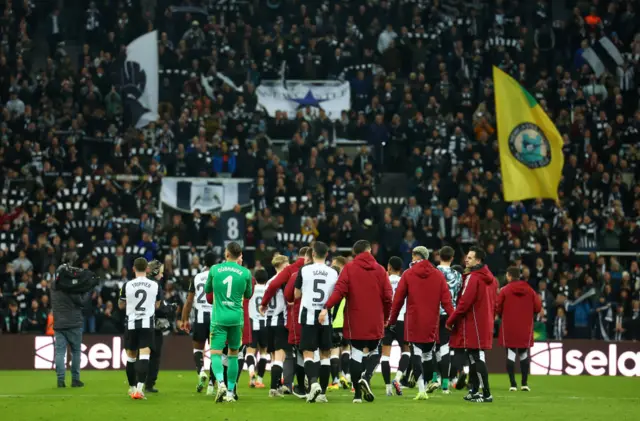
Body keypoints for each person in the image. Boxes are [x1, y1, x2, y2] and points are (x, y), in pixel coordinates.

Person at [320, 240, 393, 404]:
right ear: (369, 251)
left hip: (355, 318)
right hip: (376, 318)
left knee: (357, 353)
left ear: (355, 253)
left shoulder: (349, 269)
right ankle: (366, 377)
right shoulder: (381, 270)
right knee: (376, 351)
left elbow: (339, 291)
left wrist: (327, 307)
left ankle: (357, 396)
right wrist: (386, 316)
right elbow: (388, 297)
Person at [388, 246, 454, 401]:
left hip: (414, 319)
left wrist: (391, 320)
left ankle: (422, 389)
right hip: (432, 321)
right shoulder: (438, 275)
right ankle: (429, 382)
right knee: (428, 354)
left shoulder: (408, 274)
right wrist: (452, 320)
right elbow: (447, 302)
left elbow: (397, 301)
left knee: (416, 353)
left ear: (416, 257)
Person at [446, 246, 498, 403]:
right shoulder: (492, 279)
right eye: (466, 257)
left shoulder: (473, 278)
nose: (466, 259)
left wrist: (451, 320)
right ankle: (475, 390)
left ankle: (487, 393)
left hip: (474, 323)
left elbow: (464, 303)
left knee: (477, 356)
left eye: (470, 257)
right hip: (485, 322)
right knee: (474, 357)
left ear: (478, 260)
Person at [205, 242, 253, 403]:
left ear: (226, 254)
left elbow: (207, 291)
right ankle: (231, 392)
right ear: (239, 255)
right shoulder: (245, 273)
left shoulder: (214, 270)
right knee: (234, 355)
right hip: (236, 318)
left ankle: (220, 383)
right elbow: (248, 294)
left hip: (219, 317)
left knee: (216, 354)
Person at [295, 241, 339, 403]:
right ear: (326, 254)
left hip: (308, 315)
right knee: (325, 354)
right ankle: (322, 394)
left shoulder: (304, 270)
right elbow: (336, 295)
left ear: (312, 254)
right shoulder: (333, 273)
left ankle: (313, 383)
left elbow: (296, 294)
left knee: (307, 352)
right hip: (325, 317)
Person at [119, 257, 162, 400]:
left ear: (133, 269)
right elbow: (157, 305)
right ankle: (139, 389)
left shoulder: (127, 285)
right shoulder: (155, 285)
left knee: (131, 358)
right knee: (144, 355)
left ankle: (131, 388)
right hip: (146, 324)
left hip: (131, 324)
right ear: (147, 269)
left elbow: (120, 305)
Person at [496, 266, 542, 392]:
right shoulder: (530, 290)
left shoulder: (505, 290)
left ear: (509, 276)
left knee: (511, 354)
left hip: (509, 327)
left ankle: (512, 384)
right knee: (523, 354)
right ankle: (524, 383)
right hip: (525, 326)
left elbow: (498, 307)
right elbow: (538, 307)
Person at [180, 252, 216, 394]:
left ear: (204, 263)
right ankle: (212, 386)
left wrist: (184, 319)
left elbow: (189, 301)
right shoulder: (218, 276)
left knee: (197, 349)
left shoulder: (197, 278)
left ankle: (201, 372)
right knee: (216, 352)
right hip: (215, 318)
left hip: (200, 318)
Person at [431, 246, 463, 394]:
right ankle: (445, 383)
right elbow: (459, 294)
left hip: (432, 313)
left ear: (438, 256)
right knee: (444, 348)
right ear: (452, 258)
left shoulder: (432, 273)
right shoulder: (458, 275)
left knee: (430, 348)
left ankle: (434, 379)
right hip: (450, 314)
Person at [50, 265, 86, 388]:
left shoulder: (53, 286)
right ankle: (75, 380)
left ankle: (60, 380)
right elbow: (81, 302)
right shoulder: (71, 287)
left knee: (60, 352)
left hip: (59, 324)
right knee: (76, 352)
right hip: (74, 323)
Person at [284, 247, 313, 398]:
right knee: (319, 354)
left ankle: (302, 388)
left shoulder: (297, 274)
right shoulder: (328, 273)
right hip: (321, 320)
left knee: (301, 354)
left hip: (301, 319)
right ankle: (317, 386)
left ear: (307, 259)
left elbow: (288, 295)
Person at [146, 259, 177, 394]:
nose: (162, 275)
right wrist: (170, 308)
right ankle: (149, 383)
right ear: (155, 271)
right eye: (161, 272)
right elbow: (158, 307)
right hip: (154, 325)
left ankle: (138, 381)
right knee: (155, 354)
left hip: (140, 323)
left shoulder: (142, 283)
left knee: (140, 354)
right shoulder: (155, 285)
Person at [381, 256, 407, 396]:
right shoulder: (405, 281)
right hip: (402, 319)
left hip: (387, 321)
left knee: (385, 356)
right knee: (407, 352)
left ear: (389, 267)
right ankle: (397, 378)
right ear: (401, 269)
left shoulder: (384, 281)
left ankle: (387, 388)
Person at [246, 265, 276, 389]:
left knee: (250, 351)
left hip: (253, 324)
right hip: (265, 324)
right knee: (264, 352)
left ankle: (251, 372)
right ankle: (259, 379)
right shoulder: (269, 290)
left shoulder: (251, 290)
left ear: (255, 278)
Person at [328, 256, 348, 391]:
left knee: (333, 352)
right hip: (345, 323)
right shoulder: (346, 284)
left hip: (332, 323)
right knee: (346, 350)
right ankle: (345, 376)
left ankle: (335, 381)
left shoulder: (329, 286)